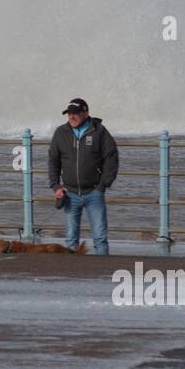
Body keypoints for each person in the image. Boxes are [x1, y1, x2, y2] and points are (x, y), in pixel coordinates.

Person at [48, 98, 119, 254]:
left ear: (86, 113)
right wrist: (56, 186)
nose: (72, 117)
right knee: (71, 238)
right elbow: (53, 161)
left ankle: (103, 271)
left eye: (76, 113)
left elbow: (111, 157)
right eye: (69, 114)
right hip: (69, 192)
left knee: (100, 238)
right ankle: (73, 273)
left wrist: (103, 185)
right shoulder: (61, 133)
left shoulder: (99, 131)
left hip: (94, 192)